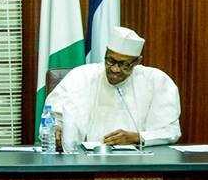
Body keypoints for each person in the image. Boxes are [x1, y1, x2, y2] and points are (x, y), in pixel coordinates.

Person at [46, 26, 181, 147]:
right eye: (110, 60)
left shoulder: (156, 81)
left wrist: (137, 137)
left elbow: (171, 131)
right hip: (86, 161)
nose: (115, 69)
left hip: (139, 162)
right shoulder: (80, 77)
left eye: (124, 64)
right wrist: (56, 130)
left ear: (137, 61)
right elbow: (53, 118)